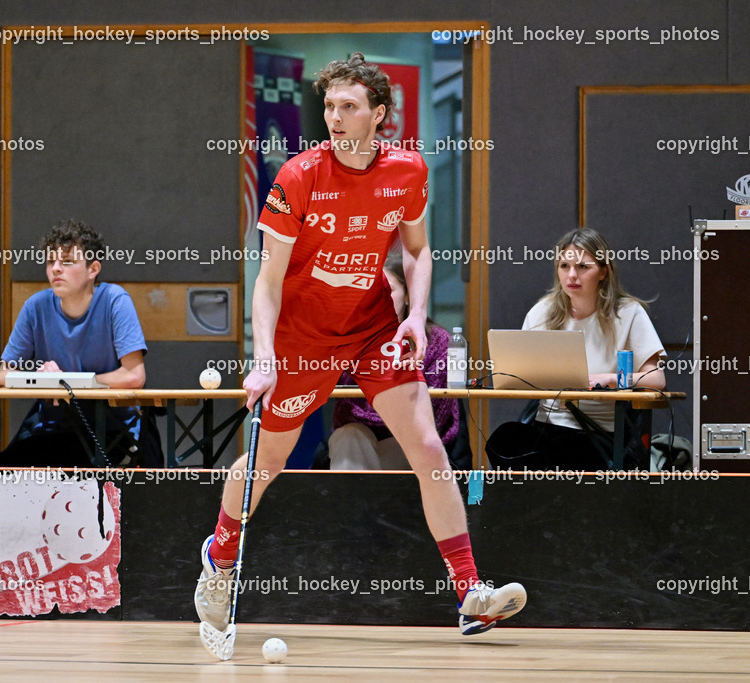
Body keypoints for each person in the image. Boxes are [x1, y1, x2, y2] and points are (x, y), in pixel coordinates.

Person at [194, 53, 525, 646]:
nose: (335, 117)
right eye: (329, 106)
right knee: (268, 462)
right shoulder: (298, 176)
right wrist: (265, 358)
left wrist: (417, 315)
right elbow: (267, 281)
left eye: (349, 106)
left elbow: (417, 251)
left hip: (373, 327)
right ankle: (219, 560)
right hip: (303, 337)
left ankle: (470, 593)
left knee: (428, 447)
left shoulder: (408, 171)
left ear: (380, 114)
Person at [485, 228, 667, 471]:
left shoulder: (628, 313)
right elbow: (519, 378)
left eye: (582, 267)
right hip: (548, 428)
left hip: (599, 434)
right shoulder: (541, 313)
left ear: (603, 271)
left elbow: (656, 379)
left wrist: (611, 379)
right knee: (503, 440)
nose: (572, 275)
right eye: (564, 266)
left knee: (566, 458)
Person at [0, 219, 161, 467]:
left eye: (67, 261)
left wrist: (65, 382)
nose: (56, 269)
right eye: (51, 262)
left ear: (93, 269)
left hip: (111, 433)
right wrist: (41, 379)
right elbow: (1, 375)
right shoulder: (35, 306)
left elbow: (134, 376)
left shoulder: (115, 300)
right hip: (54, 429)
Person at [329, 251, 463, 469]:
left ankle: (356, 491)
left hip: (413, 442)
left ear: (408, 295)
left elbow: (435, 414)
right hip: (359, 439)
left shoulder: (436, 341)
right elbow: (341, 404)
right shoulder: (349, 339)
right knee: (349, 436)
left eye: (388, 291)